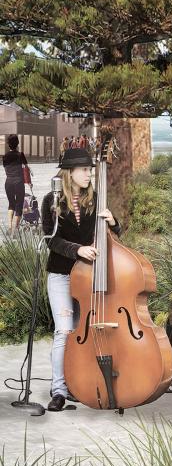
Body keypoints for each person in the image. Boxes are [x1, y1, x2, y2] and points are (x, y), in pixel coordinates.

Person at [40, 147, 116, 412]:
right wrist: (78, 250)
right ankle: (59, 390)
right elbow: (52, 241)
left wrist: (113, 222)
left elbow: (113, 238)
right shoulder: (51, 200)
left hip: (87, 278)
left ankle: (76, 384)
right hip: (61, 276)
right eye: (83, 170)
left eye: (89, 170)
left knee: (80, 331)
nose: (88, 175)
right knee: (64, 331)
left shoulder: (96, 200)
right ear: (69, 172)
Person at [3, 134, 30, 233]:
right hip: (19, 182)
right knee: (19, 206)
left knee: (11, 204)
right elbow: (26, 169)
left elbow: (7, 169)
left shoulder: (5, 156)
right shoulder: (20, 155)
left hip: (8, 182)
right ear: (17, 143)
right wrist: (29, 182)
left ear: (8, 144)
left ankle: (10, 226)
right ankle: (15, 229)